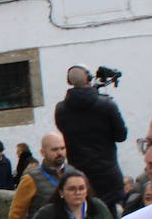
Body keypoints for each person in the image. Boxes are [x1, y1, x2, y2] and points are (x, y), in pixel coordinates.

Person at [54, 65, 129, 211]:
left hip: (78, 173)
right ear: (89, 78)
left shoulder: (61, 109)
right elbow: (121, 136)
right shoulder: (107, 105)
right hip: (107, 174)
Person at [8, 132, 69, 219]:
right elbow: (16, 214)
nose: (59, 153)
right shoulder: (30, 179)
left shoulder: (73, 174)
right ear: (42, 152)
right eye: (54, 149)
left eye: (62, 148)